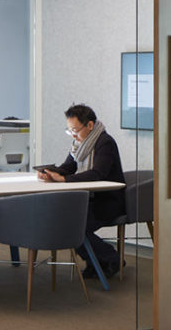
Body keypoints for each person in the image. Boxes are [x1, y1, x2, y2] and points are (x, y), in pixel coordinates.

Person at [38, 103, 125, 278]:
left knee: (73, 224)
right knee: (64, 221)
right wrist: (50, 173)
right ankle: (98, 262)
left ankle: (111, 258)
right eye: (70, 131)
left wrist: (64, 179)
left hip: (107, 201)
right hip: (88, 200)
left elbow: (98, 173)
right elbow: (68, 168)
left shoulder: (104, 142)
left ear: (90, 125)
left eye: (75, 130)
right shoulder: (79, 144)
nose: (73, 135)